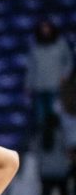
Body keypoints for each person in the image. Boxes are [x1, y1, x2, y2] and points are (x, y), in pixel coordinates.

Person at [26, 19, 74, 150]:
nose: (45, 30)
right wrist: (28, 85)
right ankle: (46, 146)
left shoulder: (60, 43)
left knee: (57, 117)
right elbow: (31, 67)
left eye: (47, 27)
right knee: (41, 119)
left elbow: (68, 61)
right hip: (39, 86)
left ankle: (63, 146)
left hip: (56, 86)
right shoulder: (35, 45)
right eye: (43, 27)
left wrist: (65, 75)